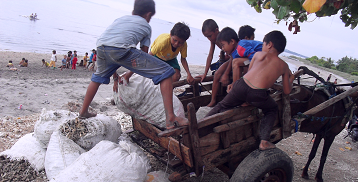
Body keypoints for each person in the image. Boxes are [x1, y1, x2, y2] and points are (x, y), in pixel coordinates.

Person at [78, 0, 188, 129]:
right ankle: (170, 118)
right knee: (167, 72)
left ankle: (83, 111)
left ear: (133, 12)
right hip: (122, 49)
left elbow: (111, 54)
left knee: (97, 79)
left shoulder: (120, 19)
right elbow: (145, 54)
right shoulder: (146, 26)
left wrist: (115, 77)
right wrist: (136, 68)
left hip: (102, 47)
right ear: (149, 15)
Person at [206, 30, 294, 151]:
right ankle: (264, 141)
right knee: (272, 109)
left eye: (263, 44)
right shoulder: (284, 66)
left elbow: (249, 73)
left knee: (221, 106)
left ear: (269, 45)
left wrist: (236, 85)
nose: (262, 46)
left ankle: (200, 127)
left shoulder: (258, 55)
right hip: (257, 94)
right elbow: (287, 91)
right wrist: (292, 78)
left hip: (241, 86)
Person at [207, 27, 262, 107]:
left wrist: (250, 74)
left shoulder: (240, 47)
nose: (222, 48)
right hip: (255, 58)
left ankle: (236, 92)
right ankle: (236, 88)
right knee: (236, 63)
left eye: (223, 45)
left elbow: (255, 57)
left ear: (232, 41)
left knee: (236, 63)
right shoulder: (234, 52)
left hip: (262, 57)